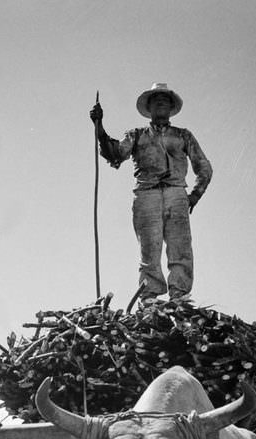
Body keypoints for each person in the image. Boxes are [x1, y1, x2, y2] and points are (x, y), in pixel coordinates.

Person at [90, 82, 212, 301]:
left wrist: (195, 194)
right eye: (156, 100)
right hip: (147, 194)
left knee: (180, 247)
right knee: (149, 250)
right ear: (150, 107)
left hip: (176, 193)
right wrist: (99, 127)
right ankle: (150, 298)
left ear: (171, 106)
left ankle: (180, 297)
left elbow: (204, 167)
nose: (161, 103)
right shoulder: (137, 135)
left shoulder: (183, 136)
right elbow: (115, 153)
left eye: (165, 100)